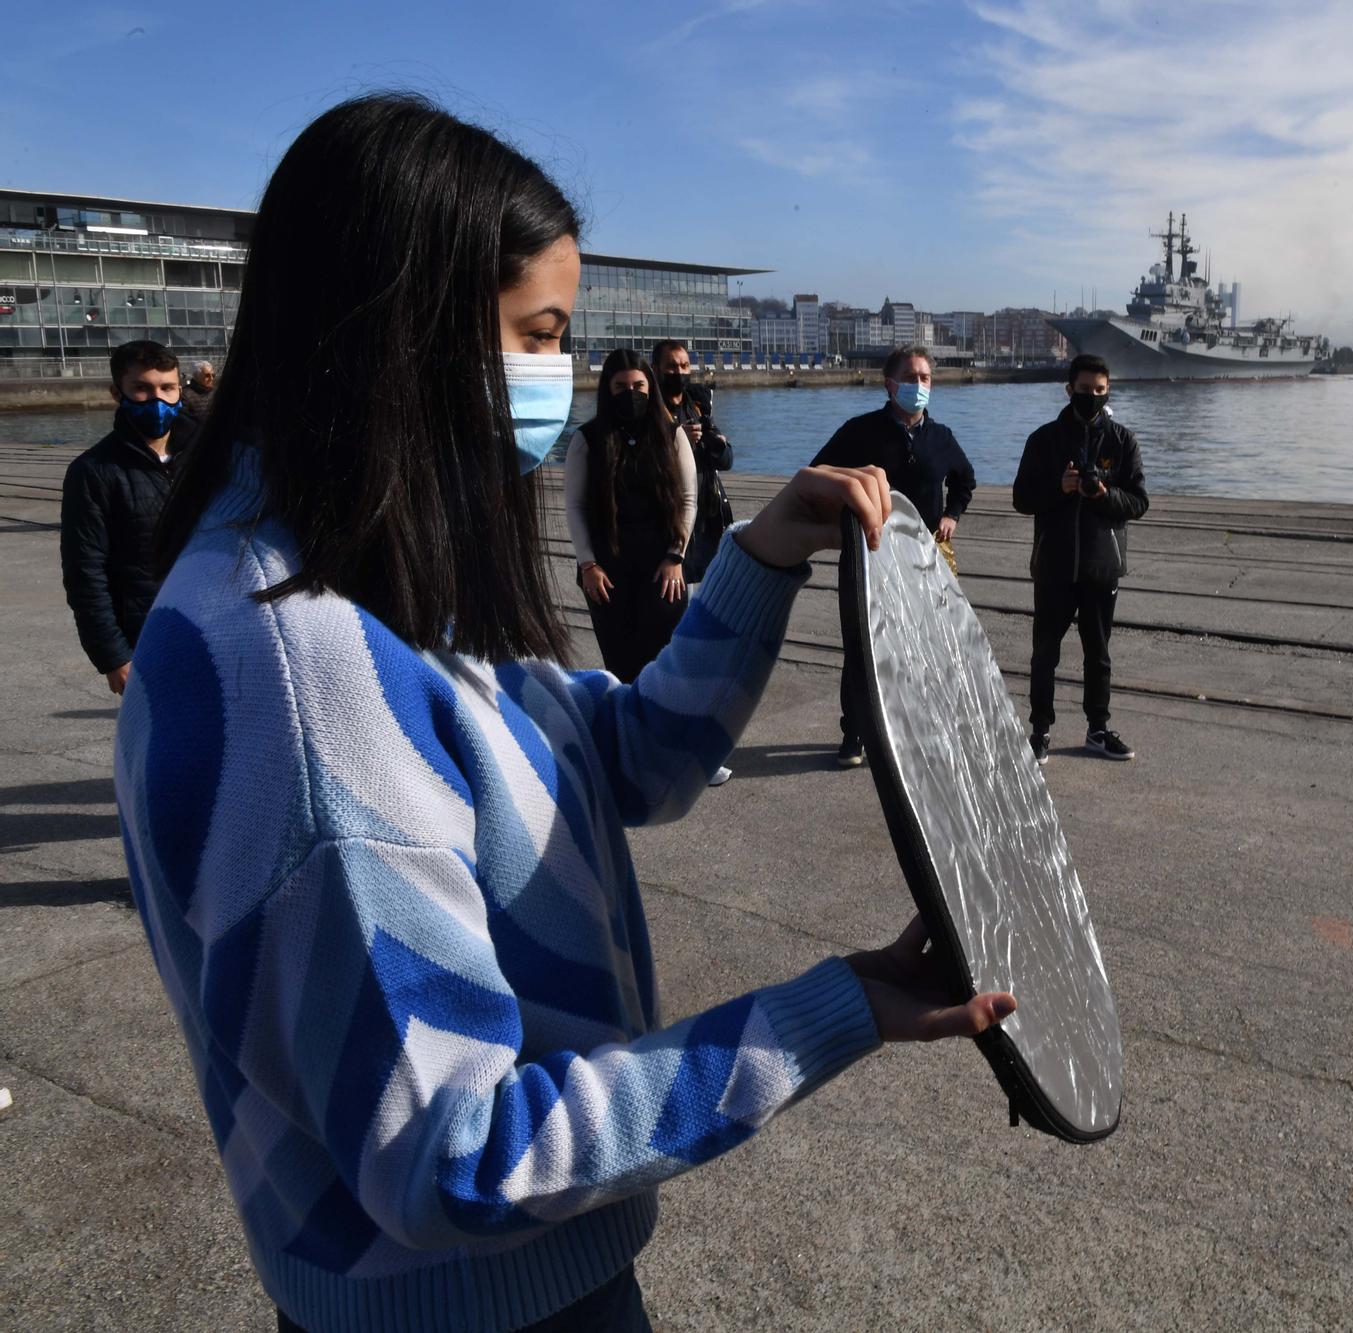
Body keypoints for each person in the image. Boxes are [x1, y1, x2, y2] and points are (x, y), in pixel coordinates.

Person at [118, 94, 1014, 1333]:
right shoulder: (303, 677)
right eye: (538, 335)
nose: (561, 376)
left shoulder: (361, 575)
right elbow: (456, 1153)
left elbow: (626, 758)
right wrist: (826, 1013)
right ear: (405, 333)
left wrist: (758, 558)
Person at [810, 344, 975, 767]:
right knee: (863, 646)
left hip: (922, 560)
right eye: (910, 377)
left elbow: (965, 480)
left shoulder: (942, 438)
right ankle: (854, 733)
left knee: (921, 646)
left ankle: (912, 727)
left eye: (925, 378)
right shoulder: (860, 431)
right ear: (890, 384)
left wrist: (952, 515)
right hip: (870, 556)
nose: (918, 385)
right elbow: (819, 474)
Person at [1011, 352, 1148, 763]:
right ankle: (1039, 730)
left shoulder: (1123, 441)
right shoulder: (1043, 440)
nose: (1092, 397)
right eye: (1085, 390)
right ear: (1069, 390)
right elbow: (1021, 498)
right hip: (1053, 564)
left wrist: (1104, 494)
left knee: (1099, 654)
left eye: (1100, 392)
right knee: (1045, 653)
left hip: (1101, 566)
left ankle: (1098, 729)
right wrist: (1061, 487)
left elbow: (1139, 502)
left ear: (1108, 392)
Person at [59, 339, 195, 696]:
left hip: (218, 630)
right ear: (116, 392)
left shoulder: (207, 456)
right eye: (142, 388)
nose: (158, 400)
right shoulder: (92, 471)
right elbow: (85, 572)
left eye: (168, 388)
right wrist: (113, 657)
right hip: (146, 638)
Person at [564, 348, 698, 684]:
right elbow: (576, 506)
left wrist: (675, 554)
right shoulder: (587, 440)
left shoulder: (672, 434)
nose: (631, 394)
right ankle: (627, 728)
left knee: (665, 662)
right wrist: (588, 564)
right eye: (621, 387)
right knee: (622, 666)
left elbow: (688, 498)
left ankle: (663, 729)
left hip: (663, 567)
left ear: (650, 387)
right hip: (608, 569)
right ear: (607, 391)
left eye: (639, 385)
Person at [650, 339, 735, 586]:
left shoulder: (697, 407)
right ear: (655, 369)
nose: (679, 372)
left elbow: (727, 459)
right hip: (671, 521)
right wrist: (677, 441)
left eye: (685, 366)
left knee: (709, 592)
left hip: (708, 520)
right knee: (676, 597)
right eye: (672, 367)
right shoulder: (649, 412)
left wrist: (716, 444)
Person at [180, 359, 218, 423]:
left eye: (213, 375)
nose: (211, 378)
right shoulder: (185, 395)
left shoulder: (215, 393)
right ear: (196, 376)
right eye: (207, 375)